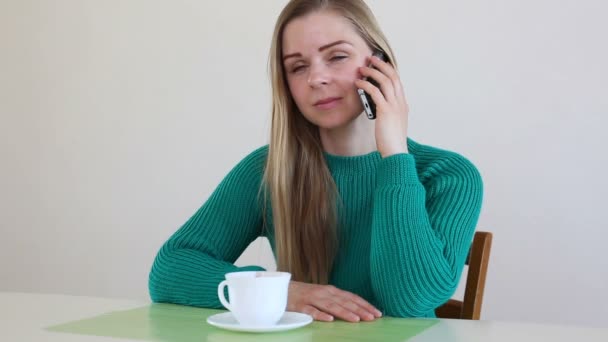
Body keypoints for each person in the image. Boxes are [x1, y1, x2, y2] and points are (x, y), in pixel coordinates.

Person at [149, 0, 483, 323]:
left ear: (380, 64)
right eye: (298, 66)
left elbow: (412, 301)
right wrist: (284, 293)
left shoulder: (448, 176)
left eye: (336, 56)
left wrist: (395, 154)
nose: (316, 79)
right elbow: (169, 270)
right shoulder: (268, 171)